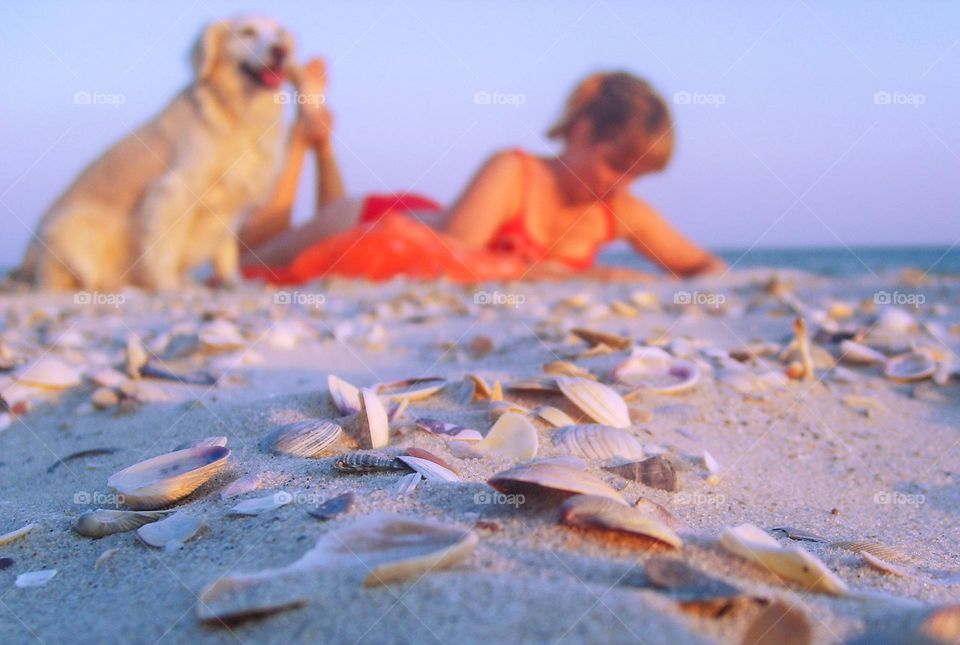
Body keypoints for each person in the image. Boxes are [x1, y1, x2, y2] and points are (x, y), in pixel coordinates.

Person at [239, 60, 725, 284]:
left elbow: (708, 269)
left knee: (290, 255)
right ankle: (302, 139)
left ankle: (321, 142)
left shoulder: (619, 210)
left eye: (636, 176)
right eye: (616, 166)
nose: (621, 185)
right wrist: (575, 276)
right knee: (250, 261)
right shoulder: (514, 171)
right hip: (375, 222)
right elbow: (451, 257)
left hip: (408, 232)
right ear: (580, 131)